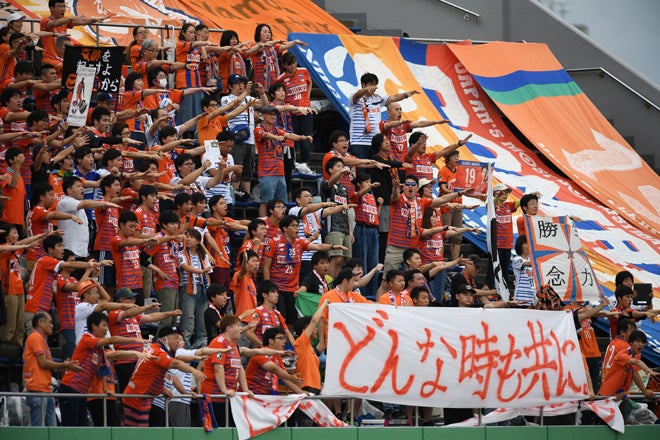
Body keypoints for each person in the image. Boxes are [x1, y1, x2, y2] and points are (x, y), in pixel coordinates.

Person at [58, 311, 143, 426]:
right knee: (71, 427)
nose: (107, 329)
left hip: (82, 392)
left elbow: (103, 369)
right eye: (104, 325)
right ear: (94, 326)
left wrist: (105, 389)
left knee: (82, 428)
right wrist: (135, 340)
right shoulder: (86, 338)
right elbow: (112, 340)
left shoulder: (101, 349)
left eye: (107, 326)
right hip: (71, 388)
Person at [264, 215, 345, 325]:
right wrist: (268, 287)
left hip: (293, 289)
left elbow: (318, 247)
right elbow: (266, 267)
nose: (297, 228)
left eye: (298, 226)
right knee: (280, 318)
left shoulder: (300, 242)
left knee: (292, 320)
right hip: (277, 288)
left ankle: (290, 337)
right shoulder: (274, 243)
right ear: (285, 228)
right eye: (294, 226)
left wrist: (334, 247)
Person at [384, 174, 470, 276]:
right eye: (407, 184)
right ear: (403, 187)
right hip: (396, 247)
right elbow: (394, 196)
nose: (410, 186)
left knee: (412, 279)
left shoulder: (422, 202)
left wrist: (459, 193)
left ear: (417, 188)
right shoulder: (399, 199)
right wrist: (395, 187)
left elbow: (442, 200)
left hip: (412, 249)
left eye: (413, 184)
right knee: (387, 279)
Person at [121, 326, 206, 427]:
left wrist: (163, 389)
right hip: (137, 398)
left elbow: (150, 375)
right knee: (134, 432)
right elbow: (176, 364)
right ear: (165, 339)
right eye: (175, 338)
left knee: (140, 430)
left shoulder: (155, 349)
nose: (178, 342)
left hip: (141, 397)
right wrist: (193, 371)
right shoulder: (158, 351)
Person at [24, 234, 104, 335]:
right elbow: (76, 285)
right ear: (50, 250)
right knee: (35, 342)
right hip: (37, 309)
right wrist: (91, 265)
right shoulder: (47, 261)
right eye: (59, 246)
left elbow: (27, 286)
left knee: (39, 342)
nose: (62, 249)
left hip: (39, 309)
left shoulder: (48, 268)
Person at [23, 312, 81, 426]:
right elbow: (43, 363)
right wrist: (65, 365)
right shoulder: (35, 337)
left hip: (45, 389)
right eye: (50, 322)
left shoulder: (41, 340)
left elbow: (48, 365)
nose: (52, 325)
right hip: (37, 390)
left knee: (52, 430)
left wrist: (65, 365)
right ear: (41, 322)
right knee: (38, 431)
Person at [254, 105, 313, 216]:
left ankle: (281, 223)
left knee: (281, 203)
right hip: (267, 172)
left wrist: (303, 137)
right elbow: (265, 135)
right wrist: (276, 137)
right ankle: (263, 223)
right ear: (263, 115)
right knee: (266, 202)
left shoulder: (277, 129)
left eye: (274, 115)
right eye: (270, 114)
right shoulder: (259, 129)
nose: (273, 117)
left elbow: (289, 135)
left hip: (280, 172)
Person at [348, 72, 418, 159]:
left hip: (375, 143)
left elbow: (394, 98)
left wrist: (405, 95)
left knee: (375, 166)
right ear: (363, 85)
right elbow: (357, 94)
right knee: (360, 166)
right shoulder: (355, 98)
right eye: (371, 84)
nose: (374, 87)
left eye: (375, 85)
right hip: (358, 142)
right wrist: (365, 90)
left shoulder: (378, 98)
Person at [56, 176, 121, 258]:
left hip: (80, 252)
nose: (82, 188)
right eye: (78, 186)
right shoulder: (65, 201)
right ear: (69, 190)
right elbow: (86, 204)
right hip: (70, 251)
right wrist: (105, 203)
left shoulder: (78, 205)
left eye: (82, 186)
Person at [40, 0, 106, 74]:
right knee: (73, 69)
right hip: (50, 60)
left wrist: (93, 20)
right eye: (60, 6)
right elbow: (54, 23)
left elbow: (81, 21)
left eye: (64, 6)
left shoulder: (65, 21)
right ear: (52, 9)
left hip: (61, 59)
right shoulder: (45, 20)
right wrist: (70, 18)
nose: (63, 9)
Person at [317, 268, 372, 352]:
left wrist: (388, 306)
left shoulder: (354, 296)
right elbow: (321, 320)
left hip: (352, 343)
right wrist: (321, 342)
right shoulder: (327, 297)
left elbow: (371, 305)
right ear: (345, 281)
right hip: (333, 342)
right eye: (353, 281)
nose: (354, 284)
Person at [598, 330, 659, 402]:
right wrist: (650, 371)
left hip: (620, 396)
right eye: (638, 341)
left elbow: (635, 374)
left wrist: (644, 391)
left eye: (643, 342)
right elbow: (637, 362)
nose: (640, 344)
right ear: (631, 343)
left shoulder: (634, 357)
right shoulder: (622, 355)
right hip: (608, 396)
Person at [277, 52, 315, 164]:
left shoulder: (303, 71)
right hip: (291, 114)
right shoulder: (281, 78)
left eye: (294, 63)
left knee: (306, 139)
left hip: (305, 111)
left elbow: (309, 82)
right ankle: (292, 164)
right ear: (284, 65)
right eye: (290, 64)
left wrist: (307, 97)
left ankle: (305, 164)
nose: (293, 66)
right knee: (292, 139)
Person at [380, 102, 448, 163]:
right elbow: (388, 125)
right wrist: (399, 122)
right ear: (389, 113)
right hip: (390, 162)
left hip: (403, 163)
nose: (400, 111)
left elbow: (420, 123)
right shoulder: (383, 123)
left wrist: (437, 122)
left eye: (400, 109)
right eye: (396, 109)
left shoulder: (404, 125)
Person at [178, 228, 212, 348]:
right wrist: (201, 271)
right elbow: (186, 267)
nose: (188, 239)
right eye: (187, 236)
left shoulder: (203, 255)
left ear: (198, 241)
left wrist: (209, 291)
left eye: (191, 237)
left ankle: (201, 344)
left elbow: (207, 275)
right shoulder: (181, 253)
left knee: (201, 319)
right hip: (188, 289)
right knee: (188, 318)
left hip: (202, 289)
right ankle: (185, 346)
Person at [246, 327, 305, 395]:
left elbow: (284, 377)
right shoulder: (260, 353)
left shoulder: (277, 356)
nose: (284, 341)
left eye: (284, 338)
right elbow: (274, 369)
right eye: (280, 338)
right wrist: (291, 378)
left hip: (267, 394)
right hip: (252, 394)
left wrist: (302, 393)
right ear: (271, 341)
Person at [351, 172, 381, 297]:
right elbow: (358, 195)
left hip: (373, 230)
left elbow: (375, 216)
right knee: (362, 262)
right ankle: (361, 293)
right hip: (362, 229)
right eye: (366, 182)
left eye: (370, 181)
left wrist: (379, 205)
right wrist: (371, 187)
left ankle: (372, 293)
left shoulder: (372, 197)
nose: (369, 184)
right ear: (359, 184)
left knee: (373, 262)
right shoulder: (356, 195)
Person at [248, 24, 306, 89]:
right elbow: (262, 47)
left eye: (269, 32)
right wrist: (276, 41)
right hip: (260, 83)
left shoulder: (274, 47)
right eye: (265, 32)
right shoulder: (255, 46)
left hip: (273, 82)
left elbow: (285, 46)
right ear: (258, 34)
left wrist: (295, 42)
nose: (268, 34)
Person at [244, 281, 295, 348]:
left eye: (277, 292)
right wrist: (263, 346)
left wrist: (298, 349)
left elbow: (288, 333)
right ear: (264, 294)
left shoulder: (277, 314)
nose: (277, 295)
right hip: (261, 352)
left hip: (275, 352)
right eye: (273, 292)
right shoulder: (258, 312)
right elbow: (248, 333)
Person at [512, 234, 535, 305]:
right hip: (520, 297)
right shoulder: (516, 259)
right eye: (526, 244)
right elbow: (528, 263)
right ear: (520, 246)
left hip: (533, 297)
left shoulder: (532, 259)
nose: (529, 246)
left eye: (529, 244)